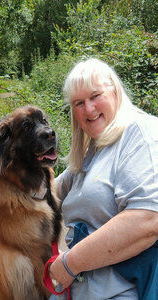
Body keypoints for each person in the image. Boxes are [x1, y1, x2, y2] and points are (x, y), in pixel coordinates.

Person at [49, 58, 158, 300]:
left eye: (95, 95)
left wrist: (69, 264)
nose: (88, 109)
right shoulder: (93, 152)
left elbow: (147, 220)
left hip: (123, 291)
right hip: (81, 289)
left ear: (115, 92)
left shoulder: (141, 134)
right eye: (79, 103)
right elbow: (51, 192)